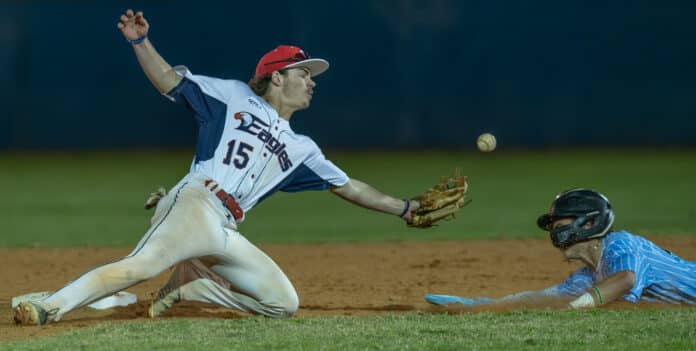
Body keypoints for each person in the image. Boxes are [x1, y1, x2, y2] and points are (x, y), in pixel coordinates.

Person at [13, 9, 423, 326]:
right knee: (138, 268)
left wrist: (404, 208)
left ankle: (195, 286)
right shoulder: (233, 97)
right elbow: (168, 82)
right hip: (197, 202)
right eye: (303, 73)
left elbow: (348, 186)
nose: (312, 81)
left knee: (284, 304)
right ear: (276, 78)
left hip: (225, 229)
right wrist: (141, 43)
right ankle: (49, 306)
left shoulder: (303, 148)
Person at [424, 188, 695, 309]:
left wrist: (579, 305)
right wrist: (477, 306)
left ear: (589, 223)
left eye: (560, 223)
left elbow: (626, 279)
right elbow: (540, 298)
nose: (554, 231)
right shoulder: (588, 276)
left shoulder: (622, 245)